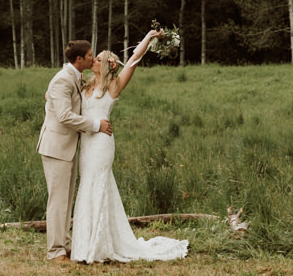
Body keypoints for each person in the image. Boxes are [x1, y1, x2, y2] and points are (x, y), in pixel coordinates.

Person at [71, 29, 188, 264]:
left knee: (99, 184)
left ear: (107, 65)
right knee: (87, 186)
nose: (92, 60)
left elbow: (134, 59)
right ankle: (84, 244)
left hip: (102, 145)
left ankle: (99, 246)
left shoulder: (113, 86)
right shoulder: (85, 86)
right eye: (93, 57)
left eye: (97, 58)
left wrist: (150, 36)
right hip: (86, 144)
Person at [38, 39, 112, 261]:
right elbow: (64, 116)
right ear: (79, 59)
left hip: (67, 148)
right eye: (90, 55)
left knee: (66, 200)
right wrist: (96, 125)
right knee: (58, 201)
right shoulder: (62, 80)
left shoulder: (75, 77)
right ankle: (55, 251)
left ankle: (64, 243)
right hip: (56, 148)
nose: (93, 58)